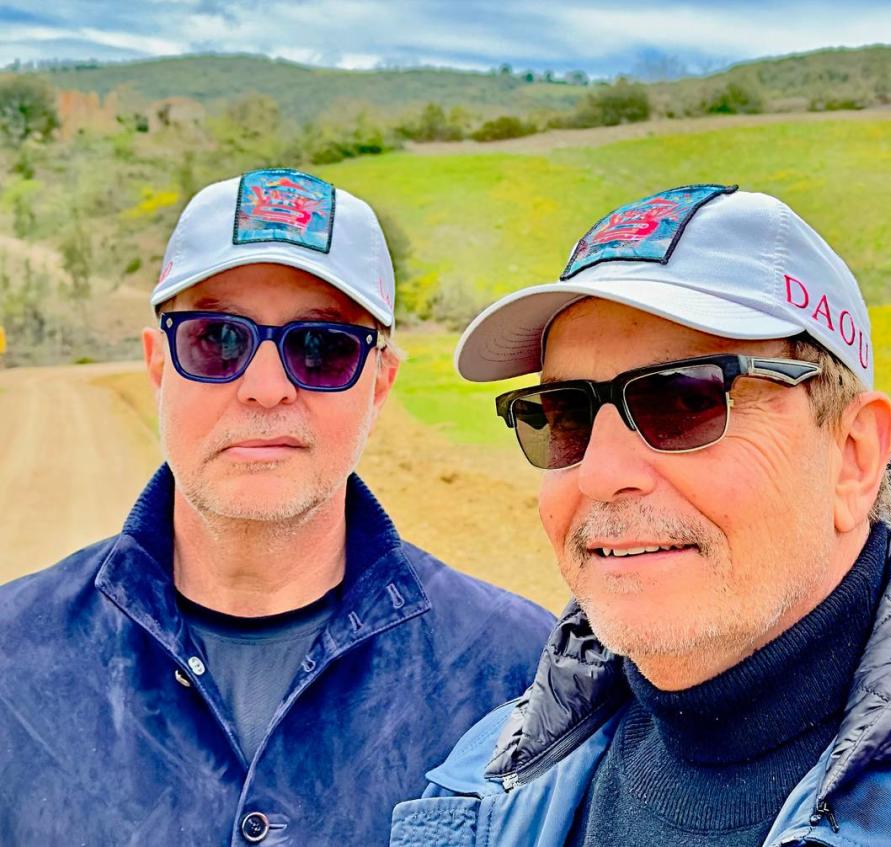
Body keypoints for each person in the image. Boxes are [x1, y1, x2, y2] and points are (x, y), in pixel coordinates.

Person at [391, 184, 891, 846]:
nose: (601, 474)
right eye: (566, 415)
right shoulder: (488, 783)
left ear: (853, 456)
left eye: (683, 401)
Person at [0, 167, 553, 846]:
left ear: (379, 383)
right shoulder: (12, 662)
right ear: (157, 366)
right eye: (216, 339)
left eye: (321, 349)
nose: (266, 388)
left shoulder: (521, 681)